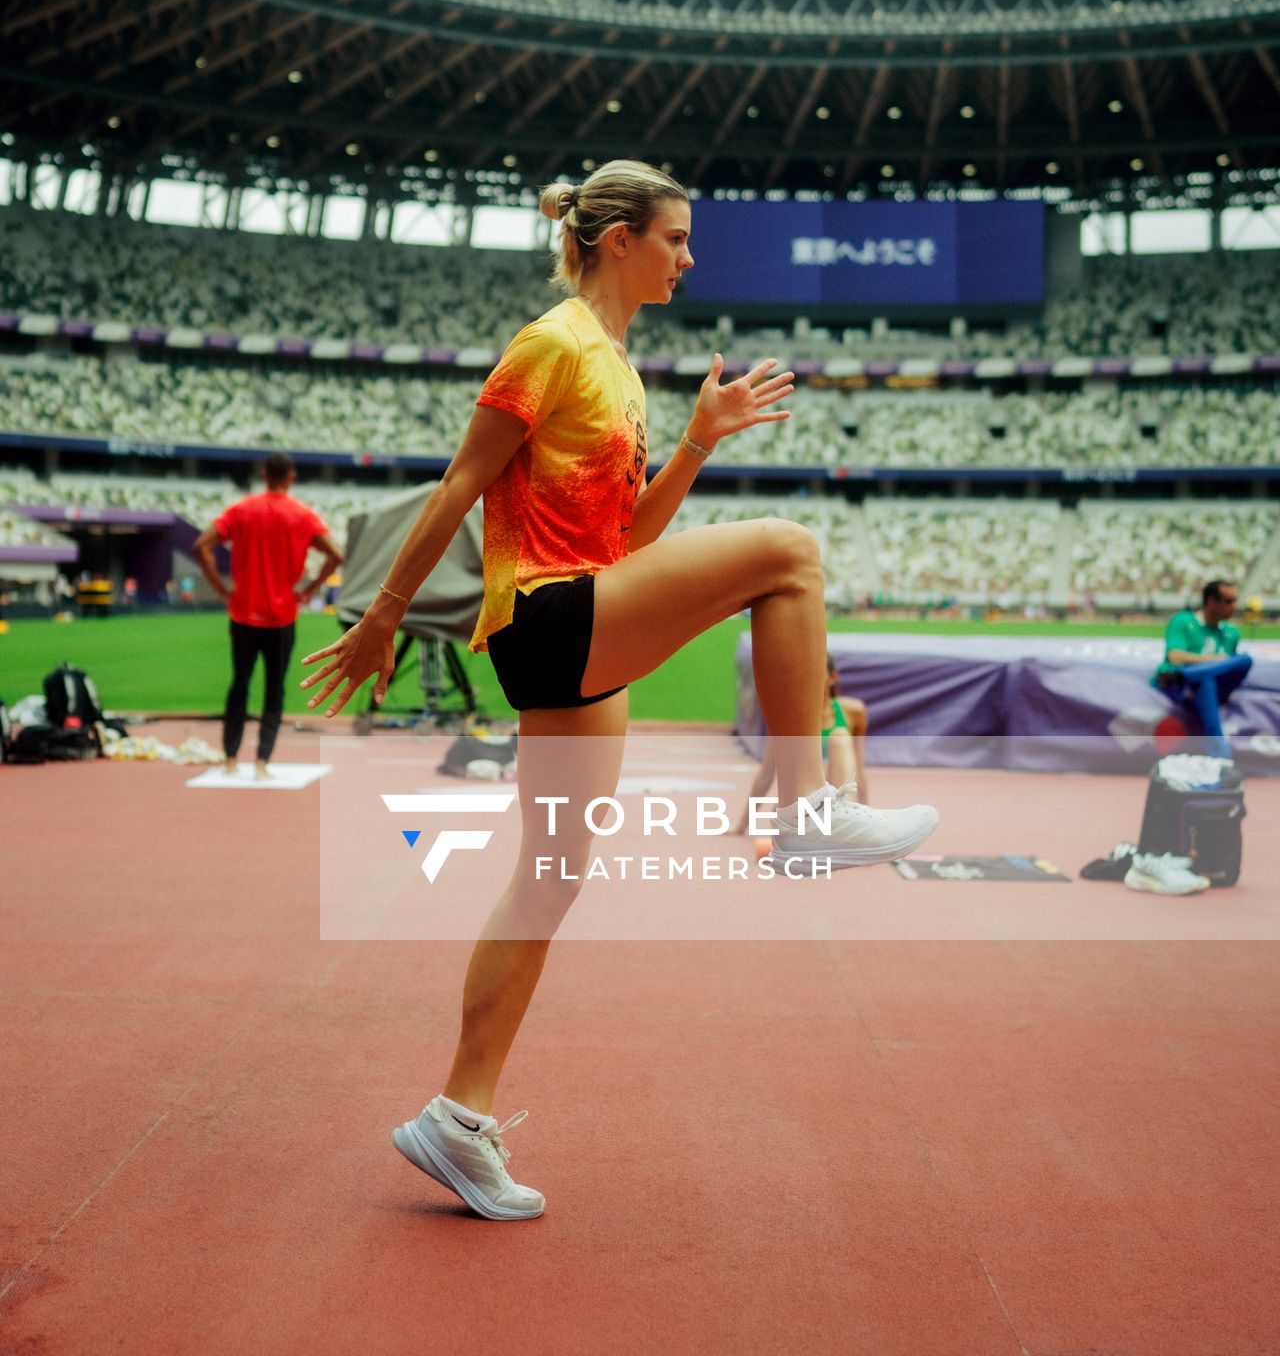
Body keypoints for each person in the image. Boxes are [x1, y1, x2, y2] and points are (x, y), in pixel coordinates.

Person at [300, 160, 939, 1221]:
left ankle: (457, 1121)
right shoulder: (552, 343)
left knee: (549, 876)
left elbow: (625, 540)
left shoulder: (621, 370)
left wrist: (695, 442)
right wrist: (382, 614)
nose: (688, 259)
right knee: (787, 552)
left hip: (575, 611)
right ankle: (802, 807)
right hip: (545, 621)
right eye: (675, 239)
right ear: (616, 241)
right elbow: (460, 483)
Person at [195, 453, 341, 778]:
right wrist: (310, 590)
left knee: (239, 685)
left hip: (243, 613)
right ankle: (262, 763)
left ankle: (231, 759)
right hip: (282, 616)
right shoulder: (303, 516)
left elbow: (201, 545)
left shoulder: (241, 510)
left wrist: (221, 589)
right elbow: (336, 554)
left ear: (264, 475)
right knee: (274, 689)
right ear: (290, 477)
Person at [734, 651, 869, 833]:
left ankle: (849, 824)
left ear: (832, 678)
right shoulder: (786, 717)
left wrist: (867, 815)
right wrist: (742, 825)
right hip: (799, 806)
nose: (808, 679)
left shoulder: (853, 712)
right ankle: (834, 827)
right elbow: (767, 773)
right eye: (804, 673)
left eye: (815, 672)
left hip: (836, 801)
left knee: (839, 738)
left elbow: (858, 769)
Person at [1151, 578, 1251, 760]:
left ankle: (1183, 675)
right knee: (1206, 681)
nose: (1234, 606)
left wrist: (1204, 666)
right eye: (1229, 601)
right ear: (1212, 601)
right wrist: (1215, 660)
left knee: (1244, 660)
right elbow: (1175, 656)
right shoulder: (1183, 621)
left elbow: (1229, 671)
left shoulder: (1232, 633)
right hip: (1183, 689)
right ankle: (1220, 757)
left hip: (1206, 685)